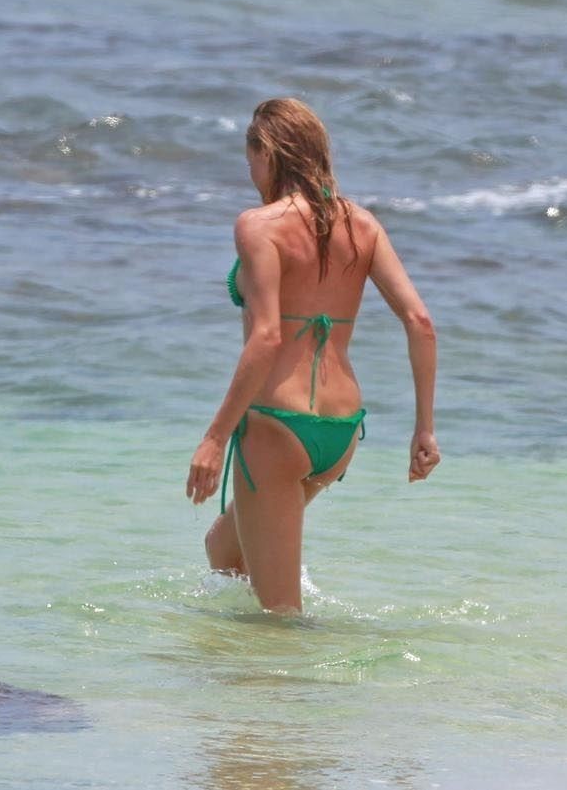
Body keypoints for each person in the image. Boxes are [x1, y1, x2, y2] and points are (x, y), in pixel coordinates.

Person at [185, 97, 439, 614]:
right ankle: (227, 661)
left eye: (251, 160)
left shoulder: (258, 226)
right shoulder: (363, 225)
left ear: (268, 153)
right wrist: (424, 430)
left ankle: (296, 666)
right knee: (223, 549)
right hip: (341, 430)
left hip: (277, 424)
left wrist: (214, 439)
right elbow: (420, 322)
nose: (251, 173)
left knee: (279, 615)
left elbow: (266, 338)